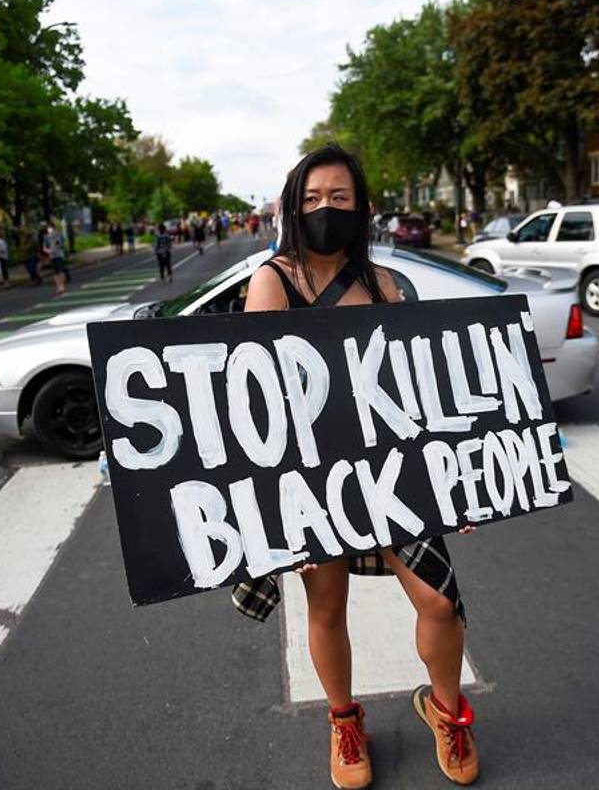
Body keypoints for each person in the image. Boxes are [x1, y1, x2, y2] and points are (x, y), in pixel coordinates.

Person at [236, 144, 479, 788]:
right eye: (312, 199)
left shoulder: (385, 286)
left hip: (391, 470)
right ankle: (344, 721)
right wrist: (285, 512)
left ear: (362, 206)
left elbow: (417, 393)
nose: (325, 209)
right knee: (326, 605)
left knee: (439, 602)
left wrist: (459, 485)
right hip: (313, 478)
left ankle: (447, 711)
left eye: (338, 197)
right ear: (293, 208)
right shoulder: (273, 281)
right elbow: (260, 403)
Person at [42, 222, 69, 295]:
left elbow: (64, 243)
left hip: (59, 254)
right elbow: (44, 248)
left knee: (61, 270)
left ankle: (62, 286)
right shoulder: (46, 237)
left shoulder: (59, 234)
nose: (49, 229)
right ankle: (58, 286)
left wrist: (60, 245)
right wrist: (48, 251)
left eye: (50, 228)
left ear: (54, 228)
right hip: (52, 256)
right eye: (48, 228)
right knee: (55, 272)